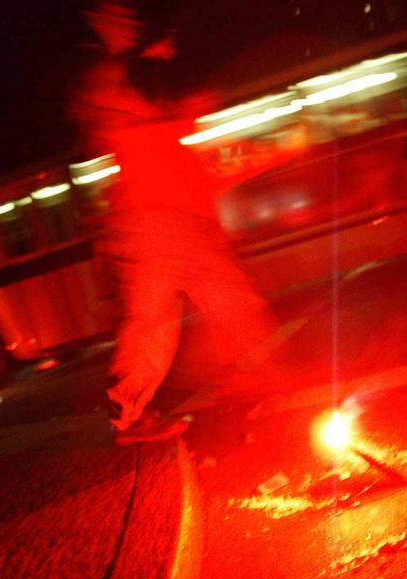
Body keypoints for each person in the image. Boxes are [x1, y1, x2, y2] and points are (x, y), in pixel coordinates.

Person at [72, 1, 280, 445]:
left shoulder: (135, 74)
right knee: (203, 306)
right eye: (118, 16)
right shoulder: (116, 76)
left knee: (180, 313)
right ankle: (250, 376)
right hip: (160, 218)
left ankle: (140, 409)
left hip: (168, 216)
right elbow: (136, 124)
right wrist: (140, 60)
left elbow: (168, 131)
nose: (129, 22)